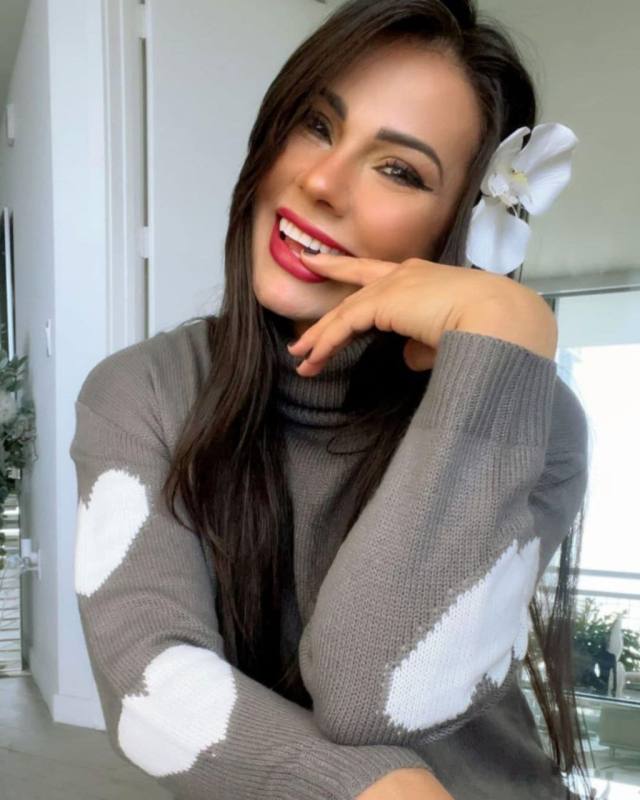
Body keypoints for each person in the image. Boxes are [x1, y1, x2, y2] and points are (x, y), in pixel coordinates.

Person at [70, 1, 596, 798]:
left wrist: (503, 327)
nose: (319, 182)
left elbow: (371, 694)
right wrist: (365, 787)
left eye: (399, 170)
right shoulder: (143, 391)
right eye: (316, 125)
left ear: (459, 225)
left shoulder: (538, 422)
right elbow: (153, 685)